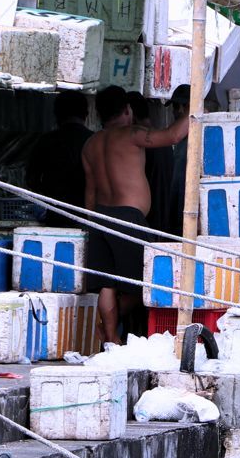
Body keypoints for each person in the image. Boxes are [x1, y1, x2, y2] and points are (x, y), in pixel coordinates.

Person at [81, 85, 192, 347]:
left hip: (98, 218)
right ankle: (109, 332)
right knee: (141, 282)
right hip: (128, 220)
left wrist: (89, 226)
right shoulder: (133, 134)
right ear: (128, 110)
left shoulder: (90, 145)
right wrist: (195, 109)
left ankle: (111, 337)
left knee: (107, 284)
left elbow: (90, 193)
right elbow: (173, 136)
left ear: (99, 114)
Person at [25, 89, 94, 227]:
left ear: (56, 114)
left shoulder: (46, 141)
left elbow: (31, 180)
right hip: (89, 216)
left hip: (55, 213)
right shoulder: (95, 140)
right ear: (86, 114)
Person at [144, 85, 189, 236]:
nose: (176, 112)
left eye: (177, 107)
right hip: (175, 213)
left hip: (186, 213)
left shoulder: (197, 138)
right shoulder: (180, 141)